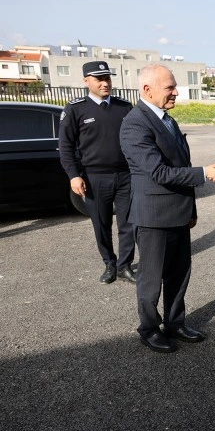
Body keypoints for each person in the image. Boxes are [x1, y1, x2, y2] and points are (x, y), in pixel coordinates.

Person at [119, 64, 215, 353]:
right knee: (151, 278)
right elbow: (158, 172)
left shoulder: (166, 120)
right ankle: (148, 328)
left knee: (179, 273)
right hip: (154, 216)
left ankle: (174, 322)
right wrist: (205, 173)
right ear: (147, 89)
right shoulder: (135, 123)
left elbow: (178, 164)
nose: (175, 92)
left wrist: (191, 209)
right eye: (169, 87)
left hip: (178, 213)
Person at [59, 61, 135, 284]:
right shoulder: (76, 109)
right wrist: (74, 175)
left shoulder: (124, 107)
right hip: (94, 178)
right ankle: (109, 264)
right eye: (99, 79)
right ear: (86, 81)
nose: (105, 83)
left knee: (128, 224)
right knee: (101, 224)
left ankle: (125, 266)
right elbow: (65, 146)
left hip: (125, 176)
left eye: (108, 78)